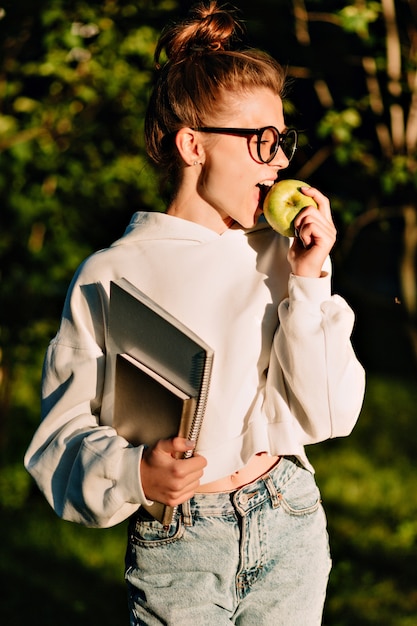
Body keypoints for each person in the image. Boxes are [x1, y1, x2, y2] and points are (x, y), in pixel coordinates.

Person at [24, 2, 365, 624]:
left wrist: (310, 282)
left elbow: (328, 415)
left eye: (283, 141)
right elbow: (58, 444)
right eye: (263, 142)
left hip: (287, 517)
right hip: (180, 545)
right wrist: (134, 471)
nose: (280, 162)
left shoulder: (285, 256)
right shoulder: (113, 275)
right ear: (193, 145)